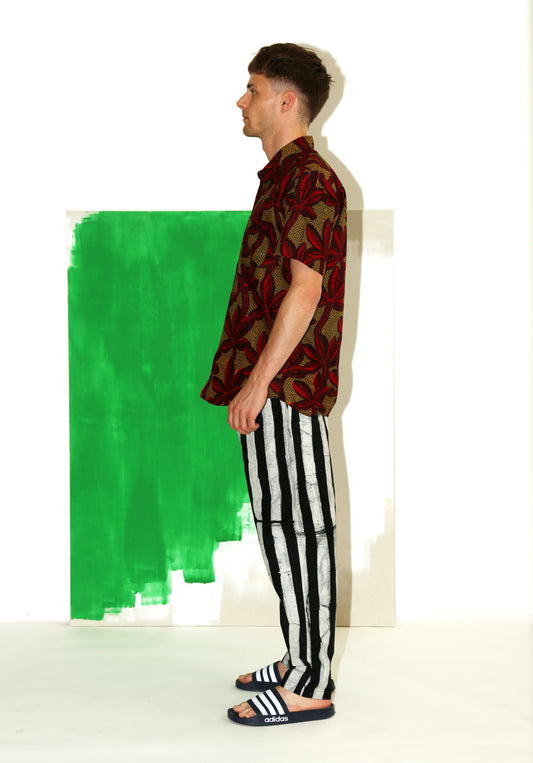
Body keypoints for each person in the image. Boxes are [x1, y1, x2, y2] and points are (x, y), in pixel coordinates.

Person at [200, 42, 347, 726]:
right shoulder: (283, 178)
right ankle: (298, 658)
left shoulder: (310, 179)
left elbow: (305, 291)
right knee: (280, 525)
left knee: (304, 528)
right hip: (270, 389)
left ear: (286, 101)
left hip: (288, 389)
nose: (242, 100)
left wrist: (259, 382)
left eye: (253, 89)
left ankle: (310, 683)